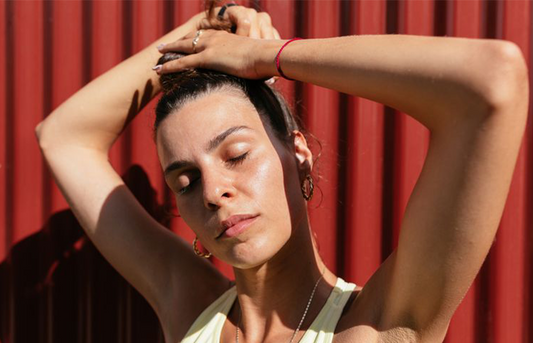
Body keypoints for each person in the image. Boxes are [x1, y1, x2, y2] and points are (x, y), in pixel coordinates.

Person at [35, 2, 528, 342]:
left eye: (236, 154)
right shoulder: (188, 307)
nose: (213, 192)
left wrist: (264, 56)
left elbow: (492, 81)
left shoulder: (380, 323)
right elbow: (62, 137)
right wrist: (208, 25)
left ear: (298, 153)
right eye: (184, 181)